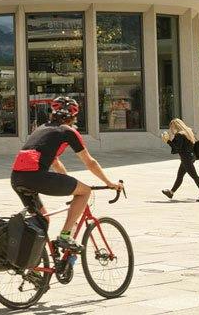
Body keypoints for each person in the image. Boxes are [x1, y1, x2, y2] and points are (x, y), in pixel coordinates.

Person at [9, 97, 120, 256]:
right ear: (73, 117)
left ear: (53, 113)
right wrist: (109, 182)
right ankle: (65, 236)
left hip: (17, 179)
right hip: (37, 177)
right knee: (85, 191)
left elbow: (54, 161)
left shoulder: (41, 129)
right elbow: (90, 162)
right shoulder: (68, 131)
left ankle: (31, 265)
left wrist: (68, 184)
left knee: (42, 221)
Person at [160, 118, 199, 200]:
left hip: (186, 158)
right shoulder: (188, 132)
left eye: (171, 127)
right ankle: (171, 193)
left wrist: (168, 141)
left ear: (175, 126)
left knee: (194, 176)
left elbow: (177, 148)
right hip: (191, 157)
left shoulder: (179, 135)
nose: (171, 129)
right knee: (180, 176)